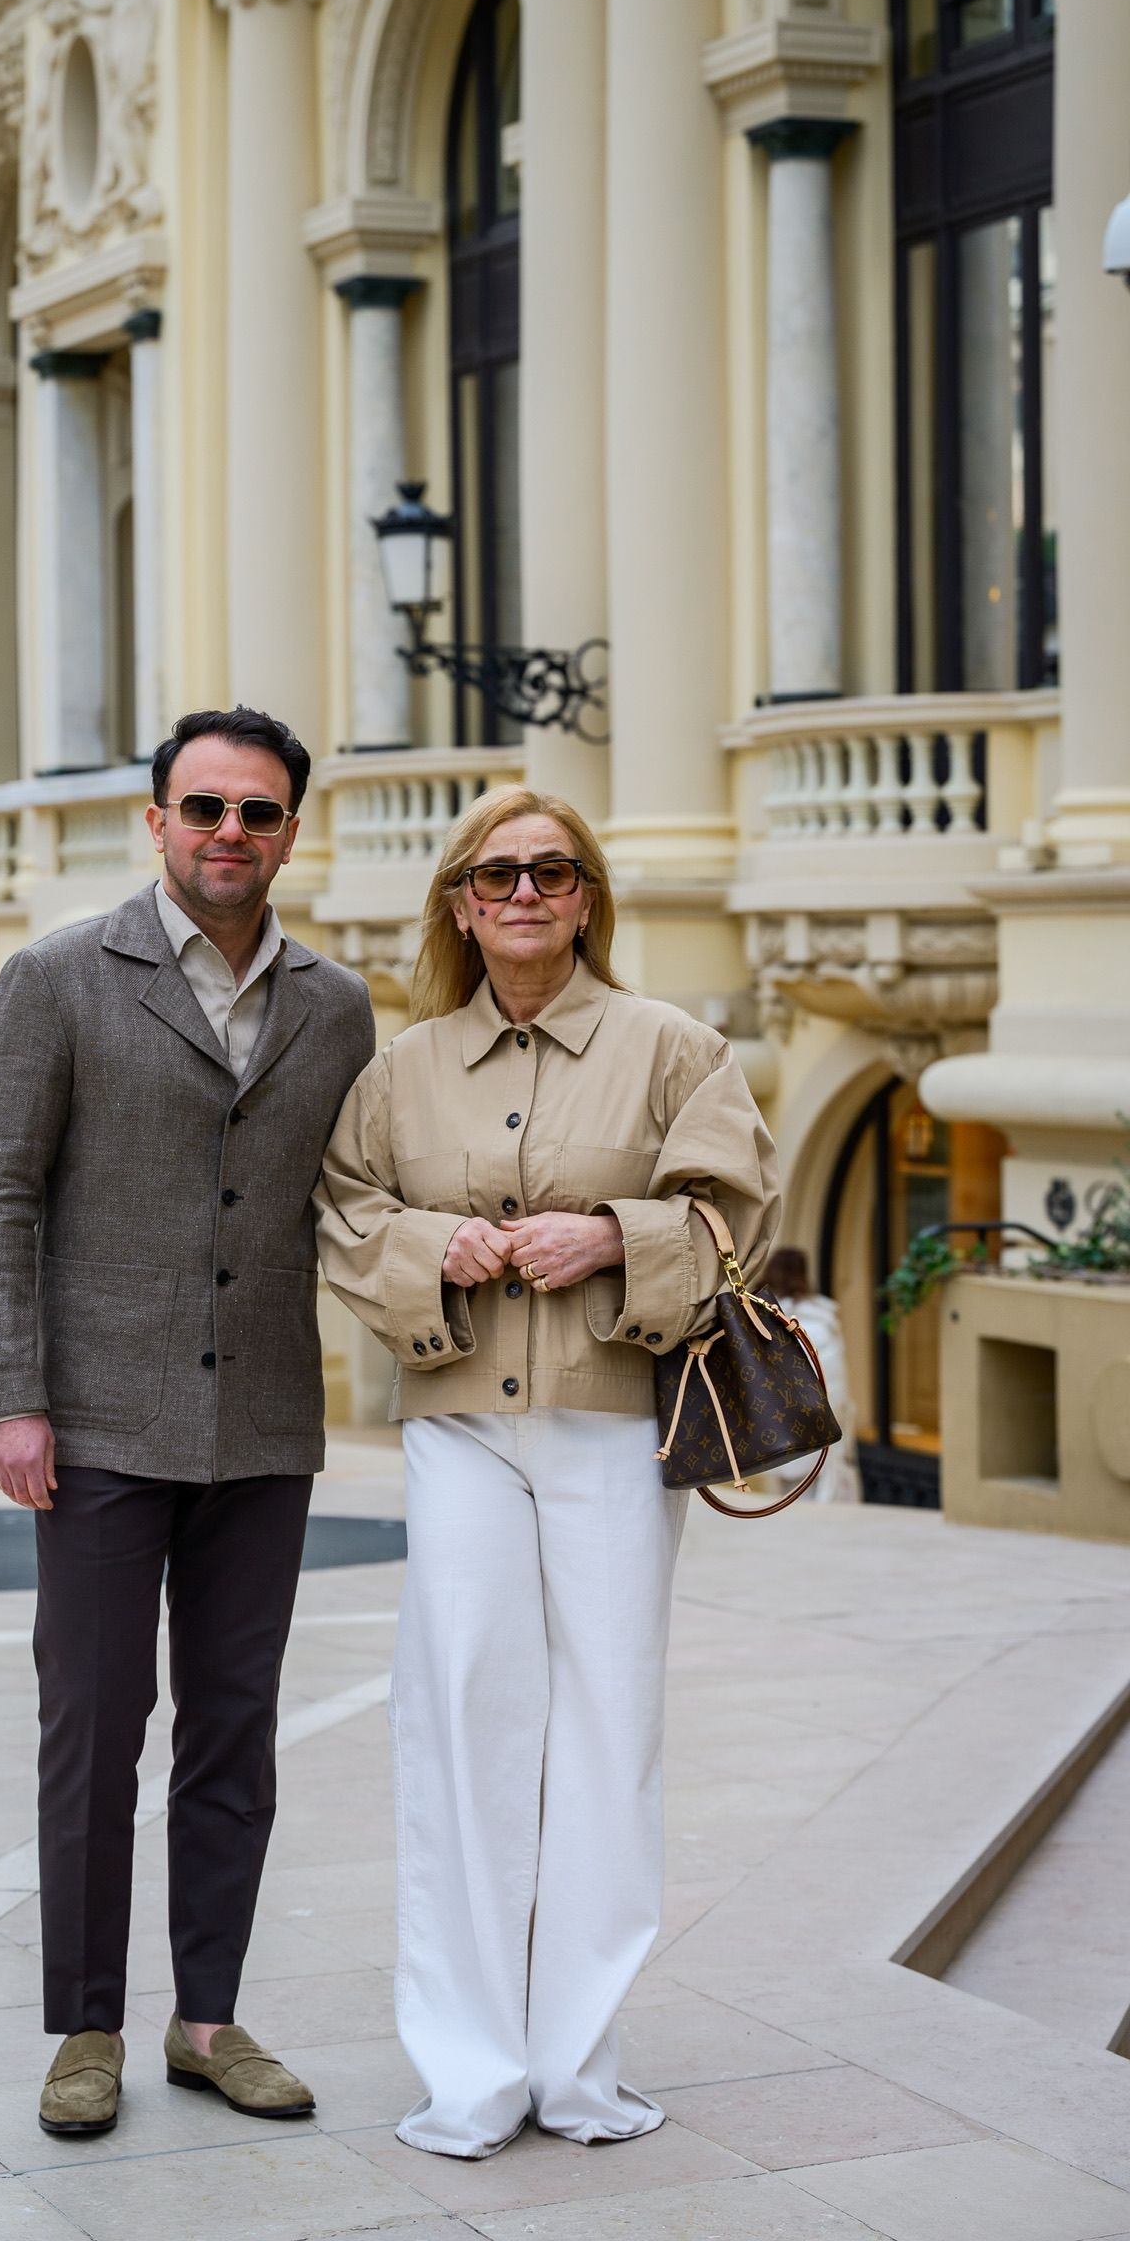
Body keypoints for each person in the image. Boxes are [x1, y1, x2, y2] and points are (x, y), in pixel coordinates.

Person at [314, 786, 779, 2160]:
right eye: (497, 875)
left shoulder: (673, 1047)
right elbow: (345, 1212)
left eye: (553, 873)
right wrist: (428, 1254)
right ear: (461, 902)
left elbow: (737, 1207)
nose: (525, 894)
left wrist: (616, 1239)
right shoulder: (400, 1073)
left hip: (615, 1429)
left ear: (588, 898)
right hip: (459, 1423)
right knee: (459, 1727)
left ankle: (576, 2068)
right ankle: (469, 2074)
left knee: (604, 1735)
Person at [0, 707, 375, 2139]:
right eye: (204, 808)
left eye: (258, 813)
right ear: (156, 822)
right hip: (98, 1422)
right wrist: (9, 1395)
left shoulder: (337, 1005)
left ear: (290, 833)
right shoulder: (61, 978)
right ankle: (86, 2026)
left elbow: (355, 1197)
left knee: (234, 1731)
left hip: (262, 1424)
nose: (229, 835)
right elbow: (0, 1195)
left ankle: (207, 2019)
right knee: (92, 1727)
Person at [761, 1246, 862, 1503]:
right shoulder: (822, 1320)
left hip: (770, 1426)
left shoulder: (756, 1320)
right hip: (817, 1427)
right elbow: (834, 1384)